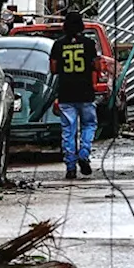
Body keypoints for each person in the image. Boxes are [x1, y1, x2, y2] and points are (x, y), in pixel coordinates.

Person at [50, 11, 99, 180]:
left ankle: (70, 166)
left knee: (68, 131)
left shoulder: (58, 45)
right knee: (89, 125)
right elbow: (96, 66)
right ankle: (84, 154)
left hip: (65, 93)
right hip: (86, 92)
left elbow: (53, 69)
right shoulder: (89, 44)